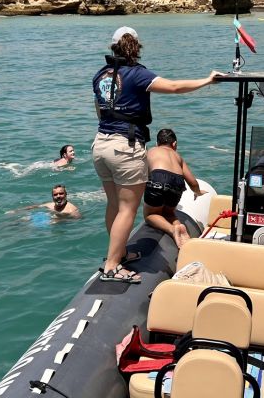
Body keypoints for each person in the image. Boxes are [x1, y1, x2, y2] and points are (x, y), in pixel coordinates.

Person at [92, 26, 221, 283]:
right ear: (136, 47)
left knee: (113, 205)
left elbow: (99, 112)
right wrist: (207, 80)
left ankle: (121, 253)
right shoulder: (137, 74)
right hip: (125, 146)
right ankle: (112, 266)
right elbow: (173, 87)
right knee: (128, 209)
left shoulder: (100, 75)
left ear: (113, 47)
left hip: (100, 144)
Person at [143, 128, 205, 248]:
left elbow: (143, 173)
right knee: (169, 213)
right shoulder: (177, 156)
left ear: (157, 144)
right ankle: (181, 229)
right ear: (174, 144)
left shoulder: (152, 151)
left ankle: (172, 230)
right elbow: (192, 182)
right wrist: (197, 192)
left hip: (158, 177)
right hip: (177, 182)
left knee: (150, 215)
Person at [8, 184, 82, 220]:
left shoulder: (71, 210)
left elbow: (79, 221)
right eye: (55, 195)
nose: (58, 196)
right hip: (42, 218)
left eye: (61, 193)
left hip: (53, 225)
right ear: (52, 197)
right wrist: (16, 211)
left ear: (66, 195)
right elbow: (35, 206)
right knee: (20, 221)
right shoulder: (50, 205)